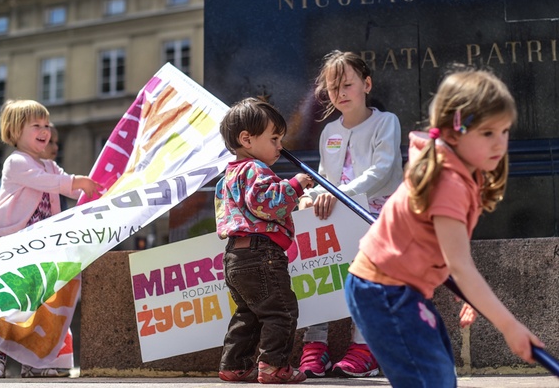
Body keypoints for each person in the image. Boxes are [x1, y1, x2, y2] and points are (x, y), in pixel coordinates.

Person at [345, 68, 545, 387]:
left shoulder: (464, 171)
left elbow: (448, 252)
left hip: (400, 289)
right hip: (383, 291)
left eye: (504, 131)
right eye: (487, 133)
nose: (500, 143)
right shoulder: (448, 181)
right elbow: (461, 265)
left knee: (438, 375)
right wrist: (510, 327)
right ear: (454, 133)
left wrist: (469, 292)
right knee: (431, 380)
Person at [0, 99, 102, 378]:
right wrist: (78, 181)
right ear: (15, 131)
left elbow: (66, 186)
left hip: (41, 246)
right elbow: (52, 184)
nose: (45, 130)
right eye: (37, 125)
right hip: (11, 243)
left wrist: (94, 193)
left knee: (37, 306)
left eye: (46, 125)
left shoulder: (50, 165)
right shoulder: (16, 162)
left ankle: (35, 363)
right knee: (9, 307)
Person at [297, 50, 403, 378]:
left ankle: (365, 346)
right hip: (339, 211)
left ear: (366, 84)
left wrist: (335, 195)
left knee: (365, 270)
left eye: (347, 85)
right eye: (332, 89)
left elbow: (382, 171)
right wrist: (307, 196)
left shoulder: (385, 122)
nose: (340, 94)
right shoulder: (330, 132)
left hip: (376, 215)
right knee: (311, 255)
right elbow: (325, 179)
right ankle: (315, 343)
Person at [215, 98, 314, 384]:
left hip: (235, 255)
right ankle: (274, 366)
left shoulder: (227, 177)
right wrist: (296, 184)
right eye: (274, 139)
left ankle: (234, 364)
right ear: (246, 139)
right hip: (262, 254)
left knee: (249, 312)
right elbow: (265, 203)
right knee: (281, 311)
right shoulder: (255, 170)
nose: (280, 146)